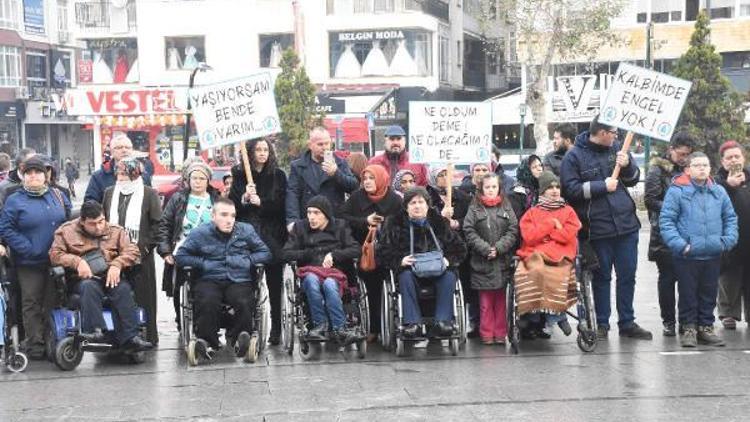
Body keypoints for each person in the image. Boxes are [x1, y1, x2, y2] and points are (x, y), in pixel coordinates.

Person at [560, 116, 651, 340]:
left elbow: (633, 179)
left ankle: (627, 322)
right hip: (597, 229)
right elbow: (570, 190)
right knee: (602, 278)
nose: (616, 136)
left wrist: (628, 165)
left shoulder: (619, 149)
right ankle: (601, 323)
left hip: (626, 226)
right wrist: (602, 186)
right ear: (601, 133)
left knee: (627, 276)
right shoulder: (574, 156)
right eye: (613, 132)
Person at [175, 198, 272, 359]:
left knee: (243, 300)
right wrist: (203, 263)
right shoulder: (200, 233)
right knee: (207, 300)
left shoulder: (245, 230)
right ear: (213, 216)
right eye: (224, 215)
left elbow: (265, 253)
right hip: (210, 278)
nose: (229, 220)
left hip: (238, 278)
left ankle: (241, 337)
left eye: (233, 216)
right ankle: (206, 341)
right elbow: (181, 256)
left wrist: (248, 261)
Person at [49, 201, 153, 351]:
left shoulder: (116, 231)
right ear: (82, 221)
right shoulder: (66, 231)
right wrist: (76, 261)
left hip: (111, 275)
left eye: (101, 222)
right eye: (93, 224)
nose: (98, 227)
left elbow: (133, 251)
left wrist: (118, 264)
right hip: (84, 278)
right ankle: (95, 331)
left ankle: (131, 338)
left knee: (122, 289)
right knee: (89, 286)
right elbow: (54, 255)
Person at [660, 152, 738, 347]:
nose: (702, 168)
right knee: (687, 293)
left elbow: (730, 218)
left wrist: (726, 241)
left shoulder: (719, 191)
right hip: (687, 254)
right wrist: (681, 245)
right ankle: (689, 328)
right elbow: (667, 221)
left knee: (709, 293)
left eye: (705, 165)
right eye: (697, 165)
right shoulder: (677, 191)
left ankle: (705, 328)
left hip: (712, 253)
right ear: (688, 169)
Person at [0, 156, 70, 359]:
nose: (33, 176)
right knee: (31, 303)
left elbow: (68, 222)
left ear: (45, 175)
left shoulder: (57, 195)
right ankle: (35, 344)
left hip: (56, 260)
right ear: (23, 176)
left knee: (54, 300)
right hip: (29, 262)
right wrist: (28, 248)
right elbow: (6, 228)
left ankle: (53, 340)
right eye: (29, 173)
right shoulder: (15, 199)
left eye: (37, 172)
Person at [377, 187, 467, 337]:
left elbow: (460, 248)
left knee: (450, 277)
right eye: (413, 203)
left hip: (438, 270)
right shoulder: (394, 223)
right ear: (406, 207)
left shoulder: (439, 222)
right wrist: (399, 260)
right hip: (411, 271)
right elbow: (382, 251)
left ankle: (443, 322)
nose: (417, 206)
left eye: (421, 202)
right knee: (405, 277)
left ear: (427, 205)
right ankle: (413, 323)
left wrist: (447, 260)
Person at [229, 137, 288, 345]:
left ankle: (277, 328)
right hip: (248, 232)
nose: (262, 153)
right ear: (251, 152)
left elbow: (282, 204)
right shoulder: (239, 174)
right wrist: (245, 198)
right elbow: (233, 204)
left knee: (274, 283)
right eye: (258, 149)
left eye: (266, 149)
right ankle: (249, 325)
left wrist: (261, 202)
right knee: (248, 281)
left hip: (273, 232)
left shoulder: (278, 176)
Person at [282, 196, 361, 344]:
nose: (311, 217)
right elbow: (285, 253)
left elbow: (356, 249)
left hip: (334, 273)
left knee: (329, 284)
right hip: (310, 272)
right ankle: (320, 325)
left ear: (326, 214)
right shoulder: (300, 227)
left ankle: (340, 328)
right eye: (309, 212)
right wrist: (308, 254)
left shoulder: (340, 226)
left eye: (316, 213)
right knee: (312, 279)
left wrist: (334, 255)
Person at [103, 156, 161, 344]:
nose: (119, 177)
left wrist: (142, 249)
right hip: (113, 255)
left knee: (144, 297)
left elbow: (157, 226)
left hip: (141, 255)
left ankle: (147, 335)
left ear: (134, 174)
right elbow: (103, 222)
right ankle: (115, 336)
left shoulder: (149, 193)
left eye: (123, 173)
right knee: (116, 295)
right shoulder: (110, 193)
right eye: (118, 173)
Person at [340, 164, 402, 342]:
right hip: (364, 250)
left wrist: (385, 224)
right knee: (369, 286)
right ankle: (372, 328)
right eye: (364, 178)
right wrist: (364, 221)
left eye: (371, 178)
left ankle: (391, 324)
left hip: (388, 249)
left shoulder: (394, 199)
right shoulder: (356, 198)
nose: (367, 182)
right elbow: (342, 217)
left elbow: (401, 221)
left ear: (381, 179)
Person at [516, 171, 582, 337]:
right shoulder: (531, 213)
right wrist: (552, 224)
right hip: (536, 254)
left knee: (554, 273)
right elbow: (529, 237)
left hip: (561, 255)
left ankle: (556, 315)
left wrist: (545, 233)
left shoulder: (568, 211)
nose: (554, 190)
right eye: (550, 187)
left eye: (557, 187)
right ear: (542, 191)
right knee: (534, 270)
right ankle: (534, 313)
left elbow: (568, 235)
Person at [158, 160, 220, 330]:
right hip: (184, 248)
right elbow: (165, 225)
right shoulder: (178, 199)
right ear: (188, 179)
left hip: (212, 248)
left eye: (201, 178)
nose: (198, 181)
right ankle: (181, 319)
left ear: (208, 181)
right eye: (194, 178)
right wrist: (165, 251)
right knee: (180, 284)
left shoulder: (216, 199)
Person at [644, 132, 694, 337]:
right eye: (681, 154)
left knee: (687, 279)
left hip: (688, 232)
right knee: (667, 278)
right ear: (671, 149)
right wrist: (676, 207)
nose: (684, 159)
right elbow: (650, 200)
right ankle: (668, 321)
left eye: (687, 155)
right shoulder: (657, 170)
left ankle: (685, 320)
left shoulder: (690, 170)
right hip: (664, 232)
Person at [463, 174, 518, 345]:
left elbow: (513, 229)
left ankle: (501, 333)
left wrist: (499, 248)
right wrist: (486, 249)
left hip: (502, 262)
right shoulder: (475, 208)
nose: (491, 190)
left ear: (499, 188)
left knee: (501, 302)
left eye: (494, 187)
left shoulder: (506, 206)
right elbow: (469, 230)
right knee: (485, 303)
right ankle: (487, 334)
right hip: (482, 262)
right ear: (481, 189)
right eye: (488, 187)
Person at [285, 127, 358, 229]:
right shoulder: (297, 166)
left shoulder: (340, 163)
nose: (324, 147)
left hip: (333, 221)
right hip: (309, 221)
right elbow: (293, 194)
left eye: (327, 143)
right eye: (320, 144)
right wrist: (292, 220)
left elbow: (353, 186)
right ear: (310, 145)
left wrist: (336, 174)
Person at [715, 140, 750, 330]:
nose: (734, 160)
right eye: (729, 157)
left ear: (743, 158)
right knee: (729, 276)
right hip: (729, 238)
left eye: (737, 156)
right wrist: (729, 185)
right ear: (723, 161)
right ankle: (728, 313)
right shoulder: (717, 181)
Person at [85, 132, 152, 203]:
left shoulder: (143, 174)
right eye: (119, 148)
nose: (124, 150)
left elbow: (149, 201)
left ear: (132, 150)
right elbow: (90, 202)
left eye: (127, 147)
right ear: (112, 151)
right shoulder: (98, 177)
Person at [509, 155, 544, 219]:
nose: (539, 169)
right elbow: (517, 218)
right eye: (534, 167)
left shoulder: (543, 188)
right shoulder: (517, 192)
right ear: (526, 171)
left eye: (540, 165)